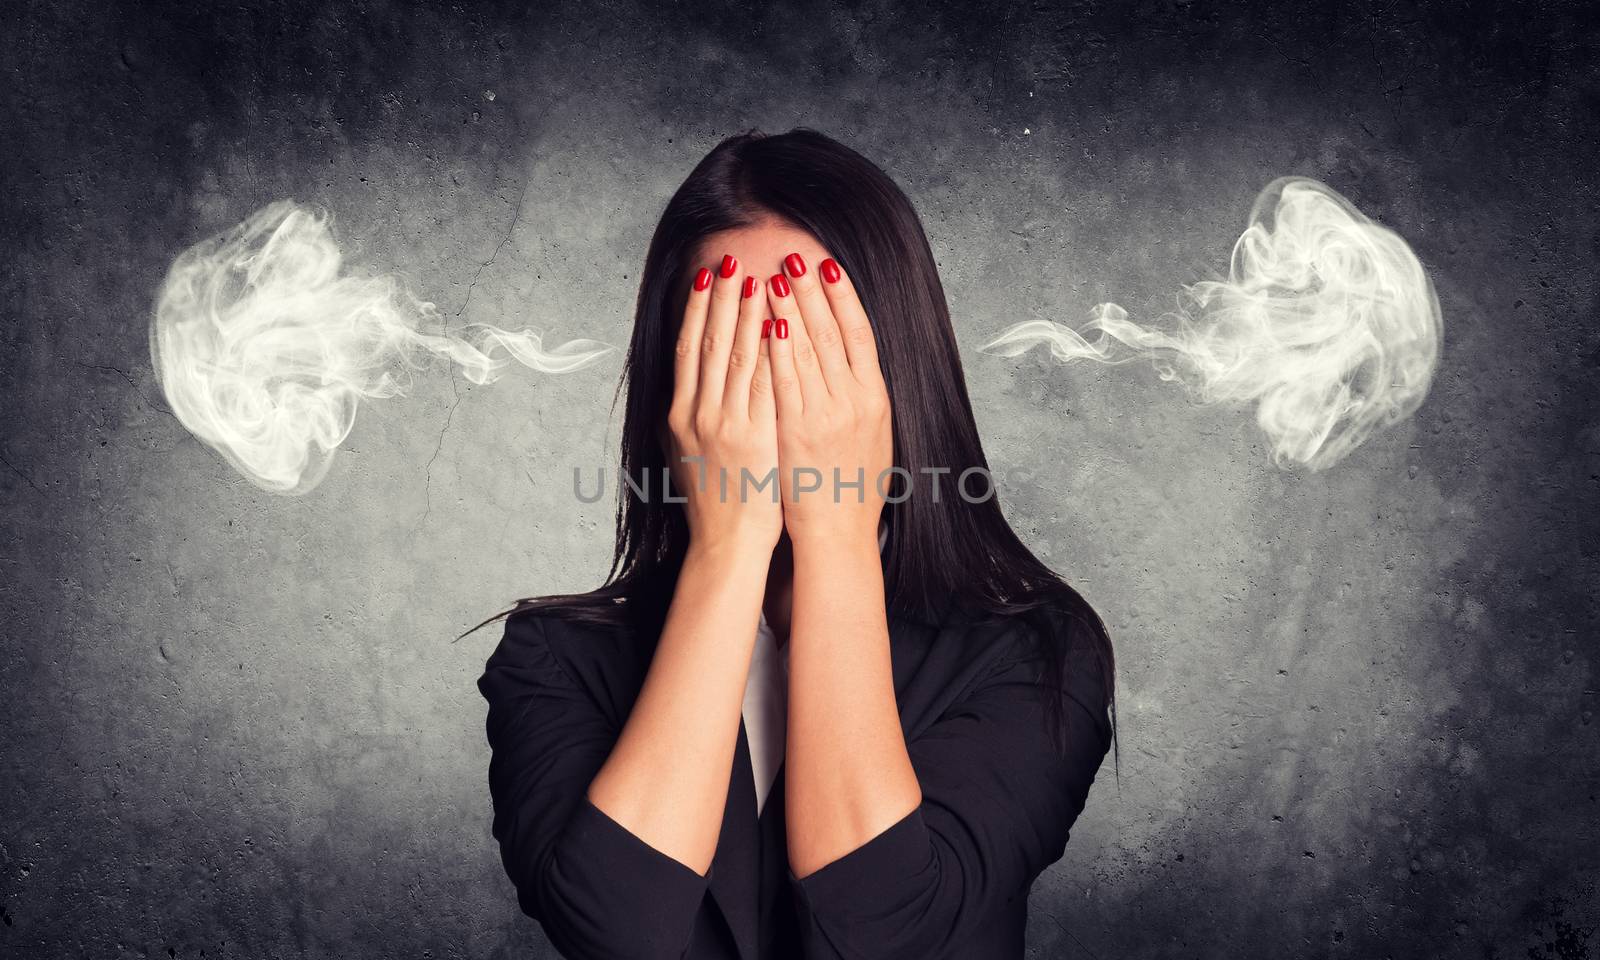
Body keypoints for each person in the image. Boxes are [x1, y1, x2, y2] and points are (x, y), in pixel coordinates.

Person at [468, 127, 1117, 959]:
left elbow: (891, 928)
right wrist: (727, 547)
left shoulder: (1038, 653)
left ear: (894, 366)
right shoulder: (555, 657)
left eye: (812, 344)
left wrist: (836, 535)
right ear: (673, 375)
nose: (771, 384)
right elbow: (618, 932)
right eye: (727, 344)